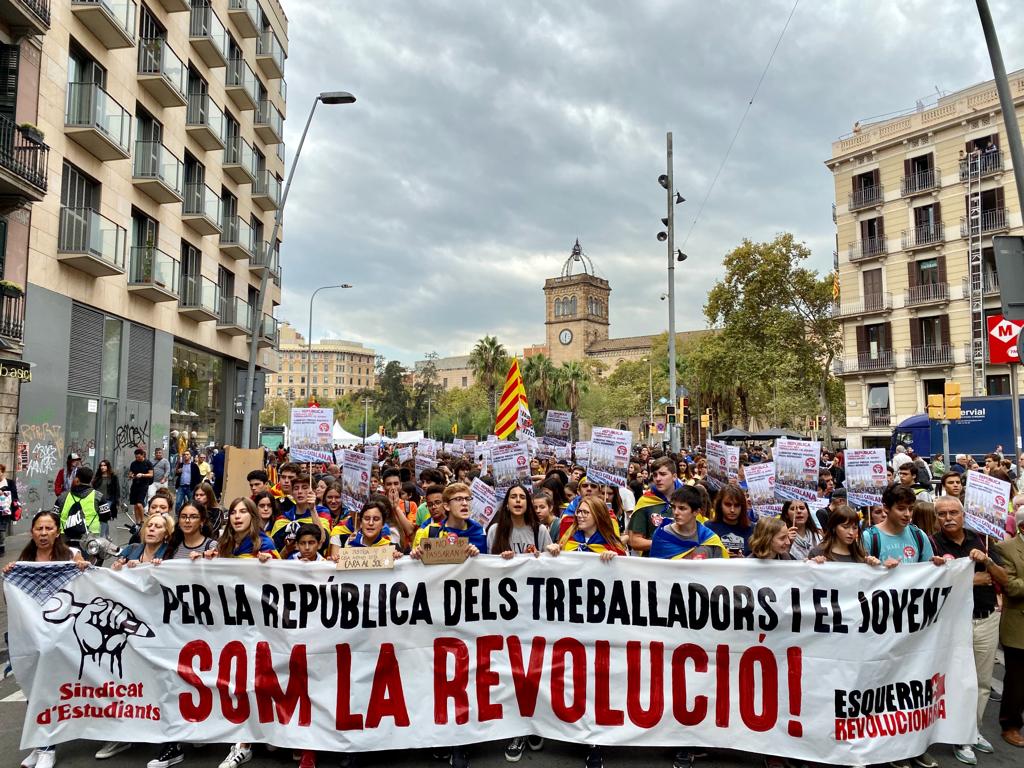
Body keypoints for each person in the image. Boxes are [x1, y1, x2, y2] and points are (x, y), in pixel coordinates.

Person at [7, 511, 88, 768]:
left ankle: (48, 748)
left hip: (60, 638)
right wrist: (11, 574)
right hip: (33, 638)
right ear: (32, 532)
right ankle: (40, 744)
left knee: (51, 690)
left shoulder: (70, 556)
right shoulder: (25, 560)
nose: (43, 534)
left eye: (48, 528)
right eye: (39, 529)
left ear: (57, 531)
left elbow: (86, 587)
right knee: (34, 690)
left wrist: (83, 568)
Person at [929, 496, 1007, 763]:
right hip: (951, 624)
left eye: (953, 512)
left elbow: (1004, 579)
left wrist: (988, 561)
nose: (948, 518)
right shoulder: (931, 543)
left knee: (982, 683)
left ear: (963, 515)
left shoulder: (981, 540)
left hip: (985, 620)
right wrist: (971, 580)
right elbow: (928, 583)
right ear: (936, 517)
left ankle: (971, 733)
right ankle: (954, 733)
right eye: (942, 514)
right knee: (953, 681)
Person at [995, 508, 1024, 748]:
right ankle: (1010, 724)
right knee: (1016, 680)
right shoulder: (1006, 549)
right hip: (1018, 625)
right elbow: (1011, 587)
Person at [864, 485, 943, 567]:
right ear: (886, 508)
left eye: (911, 509)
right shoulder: (869, 537)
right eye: (901, 509)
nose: (907, 514)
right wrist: (879, 567)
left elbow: (927, 572)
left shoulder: (919, 535)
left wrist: (935, 564)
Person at [649, 485, 727, 560]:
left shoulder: (710, 540)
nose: (676, 512)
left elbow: (720, 571)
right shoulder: (661, 535)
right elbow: (655, 570)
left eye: (682, 508)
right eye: (673, 507)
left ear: (696, 512)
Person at [412, 483, 487, 555]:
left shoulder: (480, 532)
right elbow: (415, 564)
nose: (465, 503)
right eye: (458, 499)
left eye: (467, 499)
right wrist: (416, 554)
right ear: (447, 506)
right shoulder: (430, 531)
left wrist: (476, 556)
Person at [628, 456, 682, 554]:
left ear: (674, 476)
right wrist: (664, 544)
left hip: (682, 563)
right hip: (653, 563)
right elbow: (634, 541)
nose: (658, 479)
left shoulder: (687, 499)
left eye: (663, 474)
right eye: (655, 475)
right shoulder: (645, 501)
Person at [486, 483, 551, 559]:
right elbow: (489, 562)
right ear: (507, 503)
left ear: (528, 504)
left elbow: (549, 562)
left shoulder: (540, 530)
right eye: (513, 497)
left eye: (522, 497)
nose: (518, 500)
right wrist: (502, 559)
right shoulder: (494, 530)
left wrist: (552, 551)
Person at [53, 466, 110, 550]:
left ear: (77, 480)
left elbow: (54, 517)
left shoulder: (62, 497)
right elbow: (106, 517)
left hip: (65, 537)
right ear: (91, 480)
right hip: (90, 539)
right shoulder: (98, 497)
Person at [547, 496, 625, 557]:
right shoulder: (569, 540)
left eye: (585, 512)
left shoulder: (612, 546)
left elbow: (624, 568)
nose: (579, 515)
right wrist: (553, 551)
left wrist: (615, 558)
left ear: (598, 516)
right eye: (579, 511)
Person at [212, 497, 280, 562]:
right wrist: (210, 559)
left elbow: (278, 570)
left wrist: (270, 561)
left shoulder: (265, 544)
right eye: (233, 513)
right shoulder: (224, 542)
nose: (237, 516)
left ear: (252, 516)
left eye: (243, 511)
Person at [810, 506, 881, 565]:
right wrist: (813, 564)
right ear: (834, 527)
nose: (851, 532)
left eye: (855, 528)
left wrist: (875, 565)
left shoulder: (862, 555)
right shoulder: (817, 553)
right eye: (845, 527)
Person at [706, 485, 752, 557]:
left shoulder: (752, 529)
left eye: (736, 505)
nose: (732, 510)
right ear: (720, 505)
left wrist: (744, 559)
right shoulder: (708, 528)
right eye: (728, 505)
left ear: (742, 507)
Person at [127, 448, 154, 523]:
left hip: (143, 485)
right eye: (136, 457)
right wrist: (131, 475)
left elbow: (151, 474)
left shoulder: (148, 463)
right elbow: (130, 473)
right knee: (135, 505)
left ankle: (142, 521)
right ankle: (137, 522)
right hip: (135, 485)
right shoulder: (133, 463)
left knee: (139, 504)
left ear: (143, 455)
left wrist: (142, 475)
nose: (137, 459)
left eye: (139, 457)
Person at [0, 462, 21, 556]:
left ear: (2, 472)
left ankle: (1, 548)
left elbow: (15, 496)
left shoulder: (9, 482)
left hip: (5, 510)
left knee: (1, 530)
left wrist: (4, 492)